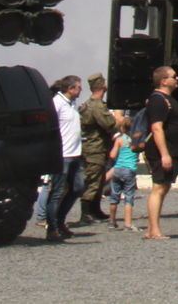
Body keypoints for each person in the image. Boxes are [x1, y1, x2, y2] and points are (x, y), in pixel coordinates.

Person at [141, 64, 178, 240]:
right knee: (158, 187)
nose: (177, 79)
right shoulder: (158, 100)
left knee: (164, 186)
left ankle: (152, 228)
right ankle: (153, 230)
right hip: (161, 151)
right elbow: (156, 128)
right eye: (174, 76)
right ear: (163, 81)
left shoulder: (169, 100)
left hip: (173, 149)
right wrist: (164, 154)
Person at [43, 75, 85, 242]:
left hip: (76, 154)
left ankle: (60, 221)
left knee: (78, 188)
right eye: (79, 87)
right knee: (57, 192)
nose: (81, 90)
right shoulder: (57, 103)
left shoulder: (72, 104)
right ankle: (52, 228)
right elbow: (50, 127)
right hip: (63, 155)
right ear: (70, 89)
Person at [77, 73, 117, 224]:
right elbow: (109, 124)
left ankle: (95, 210)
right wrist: (122, 123)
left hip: (96, 147)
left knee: (99, 180)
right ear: (102, 85)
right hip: (95, 148)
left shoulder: (91, 103)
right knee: (93, 180)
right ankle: (86, 212)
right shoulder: (97, 106)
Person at [105, 110, 140, 231]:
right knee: (129, 196)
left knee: (114, 195)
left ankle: (112, 221)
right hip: (129, 170)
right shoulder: (135, 141)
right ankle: (128, 223)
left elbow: (112, 155)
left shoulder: (120, 140)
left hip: (117, 169)